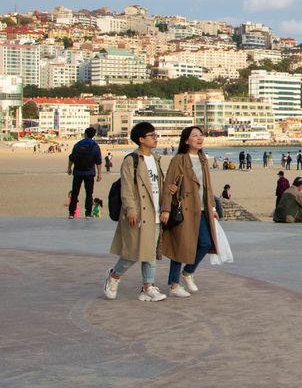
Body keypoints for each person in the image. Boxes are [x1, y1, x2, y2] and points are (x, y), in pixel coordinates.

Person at [104, 121, 167, 302]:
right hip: (139, 212)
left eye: (156, 135)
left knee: (150, 253)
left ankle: (148, 286)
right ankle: (114, 275)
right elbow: (127, 188)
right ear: (141, 139)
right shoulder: (131, 160)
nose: (156, 139)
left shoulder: (156, 159)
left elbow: (158, 185)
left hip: (154, 212)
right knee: (133, 252)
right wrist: (131, 210)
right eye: (152, 136)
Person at [160, 126, 219, 298]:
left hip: (200, 210)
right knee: (181, 246)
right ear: (186, 141)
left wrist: (212, 207)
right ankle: (174, 285)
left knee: (206, 243)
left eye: (201, 135)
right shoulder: (179, 159)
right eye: (195, 136)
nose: (200, 138)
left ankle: (188, 272)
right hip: (184, 209)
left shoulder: (203, 160)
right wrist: (165, 209)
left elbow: (208, 188)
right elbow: (168, 186)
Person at [67, 127, 102, 219]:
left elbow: (71, 158)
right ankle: (88, 213)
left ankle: (71, 213)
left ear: (85, 134)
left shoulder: (77, 144)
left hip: (78, 172)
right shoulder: (95, 146)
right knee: (89, 193)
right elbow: (98, 161)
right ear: (94, 135)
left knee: (75, 192)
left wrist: (69, 168)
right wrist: (99, 174)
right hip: (89, 173)